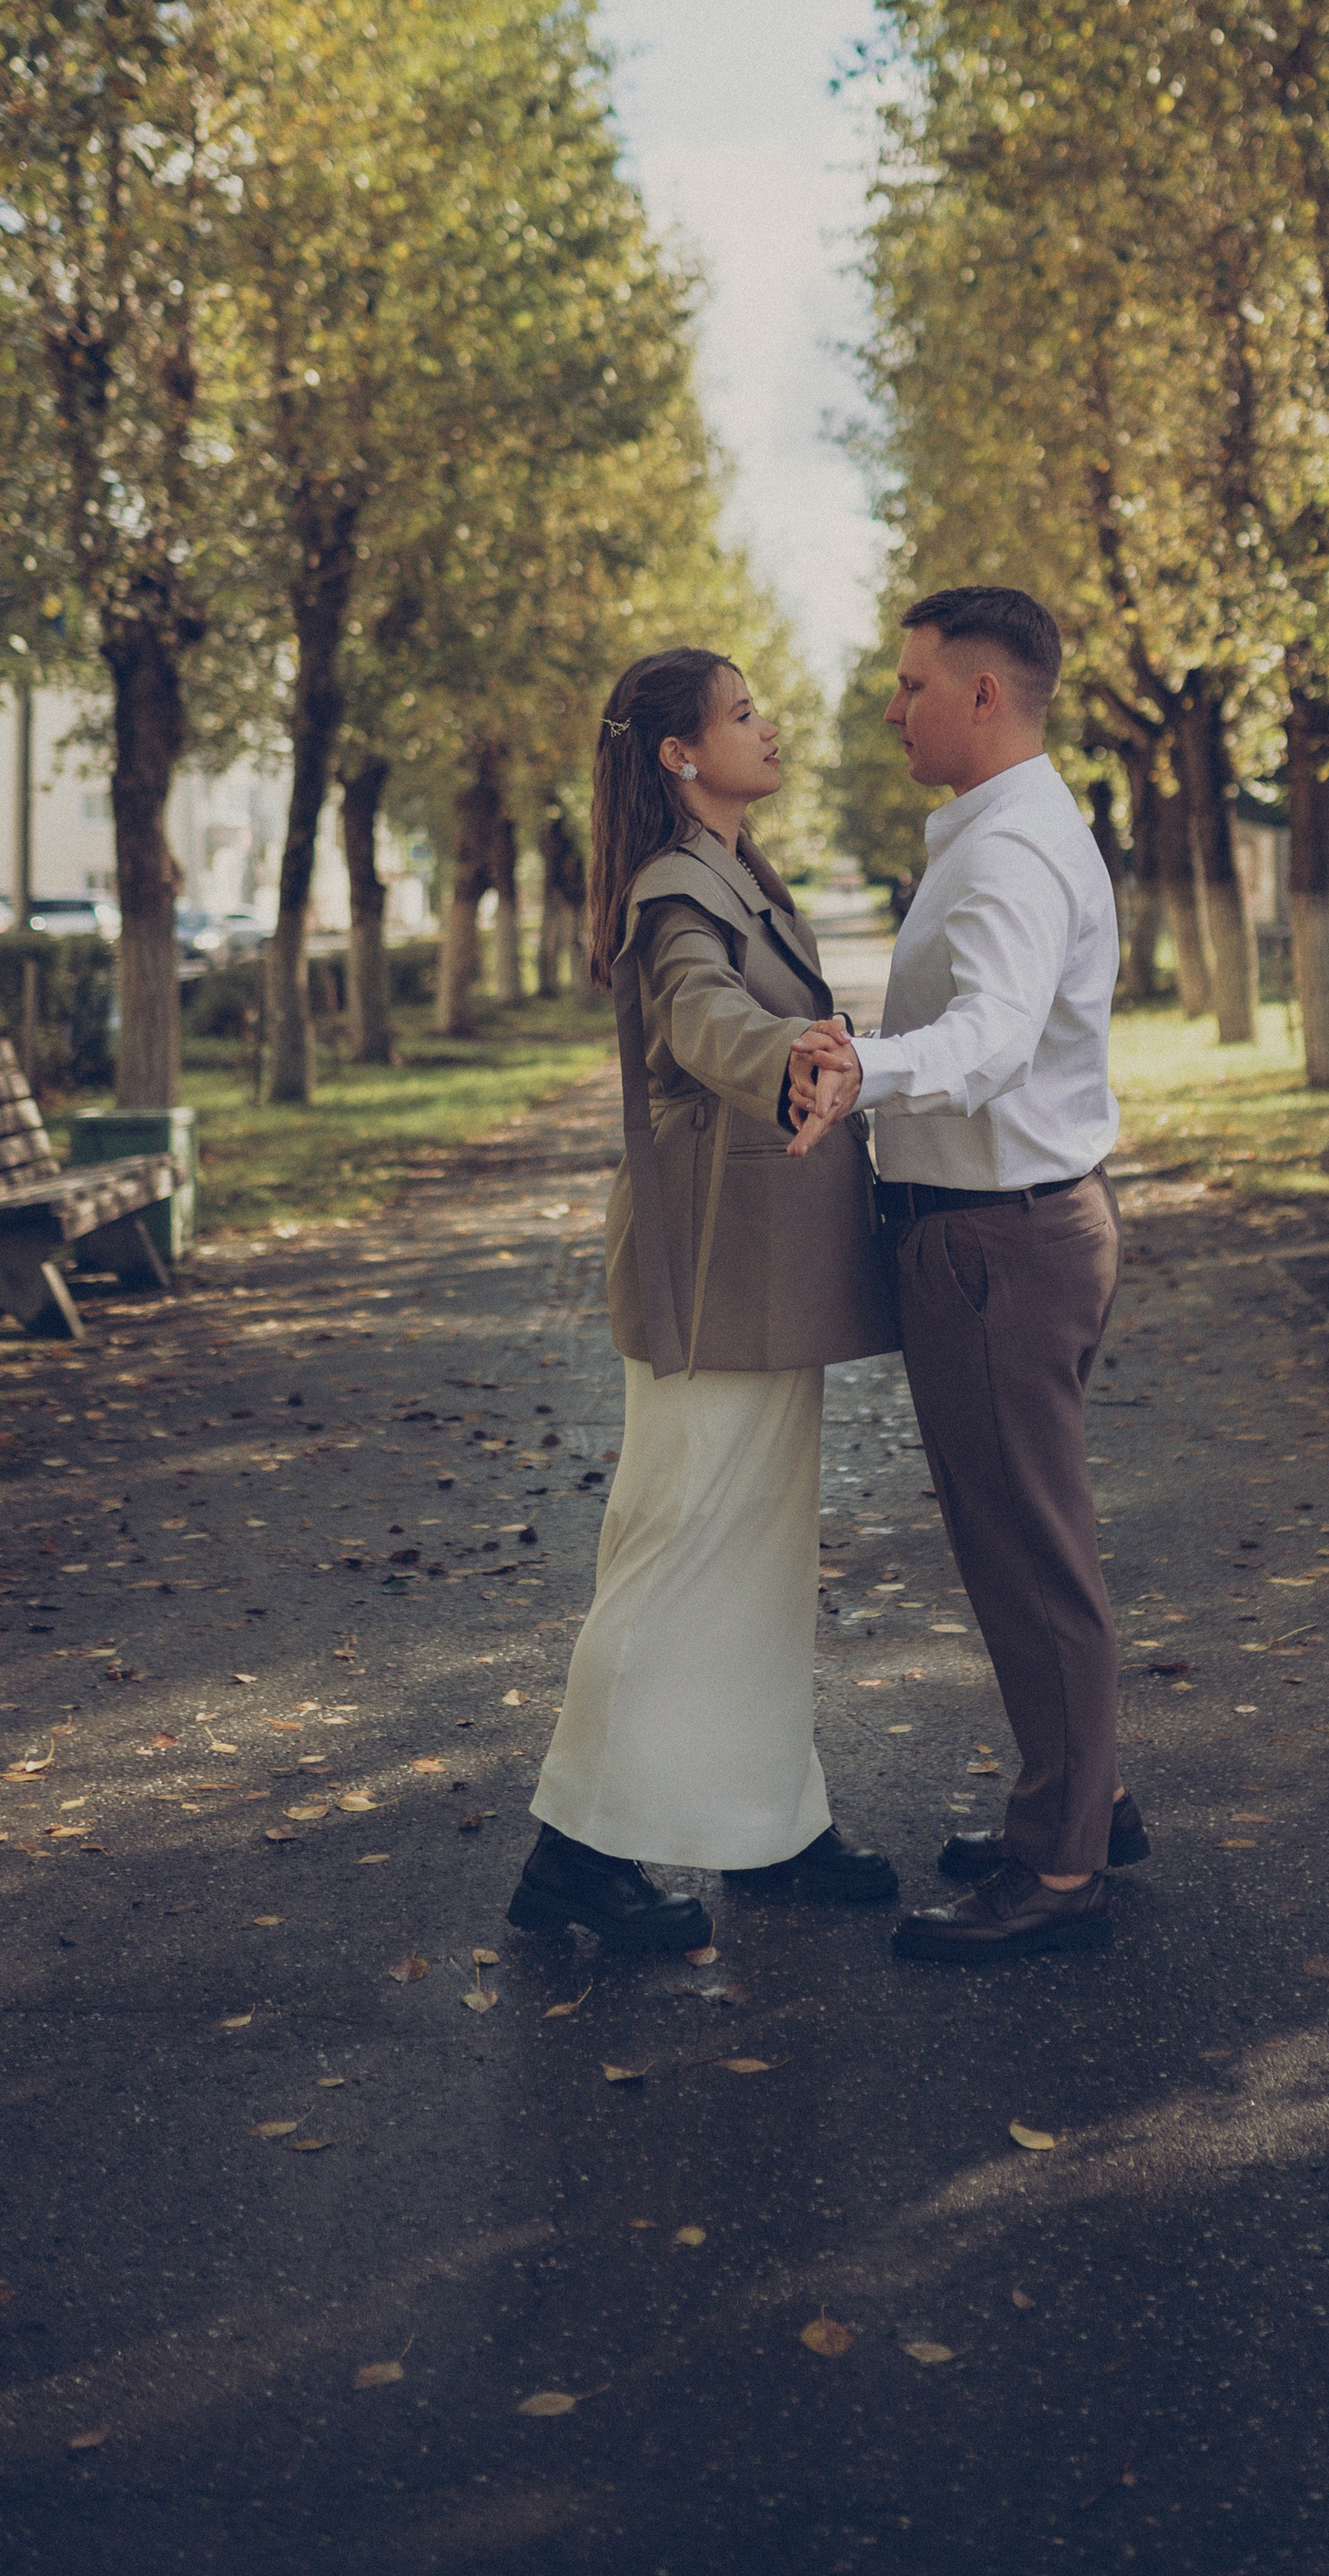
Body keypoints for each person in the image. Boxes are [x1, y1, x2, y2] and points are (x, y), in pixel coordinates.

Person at [509, 646, 900, 1955]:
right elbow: (699, 1019)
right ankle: (570, 1856)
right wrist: (788, 1052)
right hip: (712, 1278)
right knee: (677, 1562)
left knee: (758, 1564)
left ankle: (770, 1831)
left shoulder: (732, 872)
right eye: (743, 713)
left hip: (756, 1279)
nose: (768, 725)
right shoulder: (680, 893)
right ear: (681, 755)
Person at [788, 585, 1141, 1964]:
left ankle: (1059, 1879)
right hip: (1013, 1229)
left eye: (912, 681)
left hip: (998, 1244)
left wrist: (859, 1068)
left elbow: (990, 1040)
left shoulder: (1008, 853)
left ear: (984, 693)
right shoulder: (1010, 829)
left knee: (1030, 1559)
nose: (892, 705)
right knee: (1028, 1540)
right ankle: (1081, 1804)